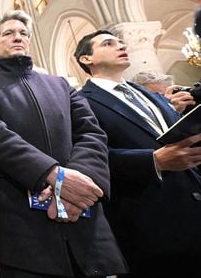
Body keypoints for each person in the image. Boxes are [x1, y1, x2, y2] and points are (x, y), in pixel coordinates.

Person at [0, 11, 127, 277]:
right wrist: (54, 175)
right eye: (8, 33)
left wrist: (76, 185)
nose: (18, 36)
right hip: (20, 224)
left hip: (81, 214)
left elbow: (91, 133)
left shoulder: (60, 84)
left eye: (23, 33)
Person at [74, 29, 201, 277]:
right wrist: (152, 161)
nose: (120, 46)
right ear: (86, 59)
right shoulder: (80, 102)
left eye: (121, 42)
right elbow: (89, 158)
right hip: (148, 221)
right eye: (108, 43)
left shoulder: (149, 95)